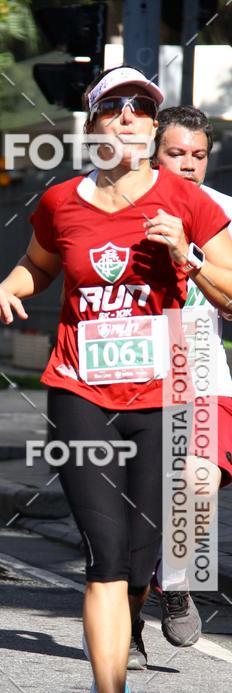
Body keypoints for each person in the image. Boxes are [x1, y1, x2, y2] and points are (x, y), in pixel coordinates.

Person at [0, 66, 232, 693]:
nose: (128, 116)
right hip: (81, 391)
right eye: (113, 106)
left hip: (163, 399)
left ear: (152, 127)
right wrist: (5, 288)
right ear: (91, 124)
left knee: (142, 560)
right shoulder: (61, 201)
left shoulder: (187, 200)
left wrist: (186, 255)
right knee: (105, 558)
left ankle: (131, 629)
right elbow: (37, 267)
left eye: (140, 107)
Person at [153, 106, 232, 647]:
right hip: (136, 369)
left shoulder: (223, 211)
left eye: (198, 156)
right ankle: (124, 631)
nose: (188, 165)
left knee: (201, 480)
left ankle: (176, 578)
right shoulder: (125, 205)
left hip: (201, 364)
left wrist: (190, 255)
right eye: (176, 154)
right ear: (153, 155)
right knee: (138, 509)